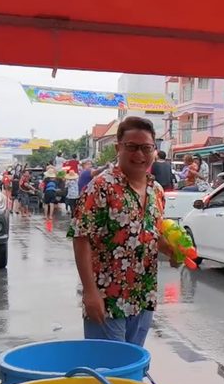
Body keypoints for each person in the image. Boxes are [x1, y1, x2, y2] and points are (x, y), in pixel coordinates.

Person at [69, 117, 179, 346]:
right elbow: (81, 238)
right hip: (107, 299)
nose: (139, 154)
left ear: (154, 150)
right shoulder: (101, 187)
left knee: (133, 363)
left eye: (146, 148)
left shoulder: (156, 190)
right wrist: (89, 292)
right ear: (118, 148)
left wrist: (171, 251)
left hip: (143, 297)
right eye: (131, 147)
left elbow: (150, 233)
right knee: (109, 365)